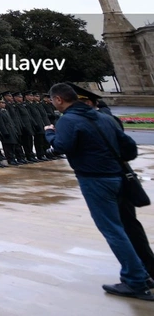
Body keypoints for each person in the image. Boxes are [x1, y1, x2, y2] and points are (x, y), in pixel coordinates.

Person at [45, 82, 153, 301]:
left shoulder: (68, 120)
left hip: (95, 179)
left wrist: (49, 135)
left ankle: (135, 280)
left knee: (113, 229)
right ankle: (145, 272)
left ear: (58, 100)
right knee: (129, 225)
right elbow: (129, 148)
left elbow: (61, 146)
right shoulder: (104, 117)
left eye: (53, 101)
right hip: (119, 176)